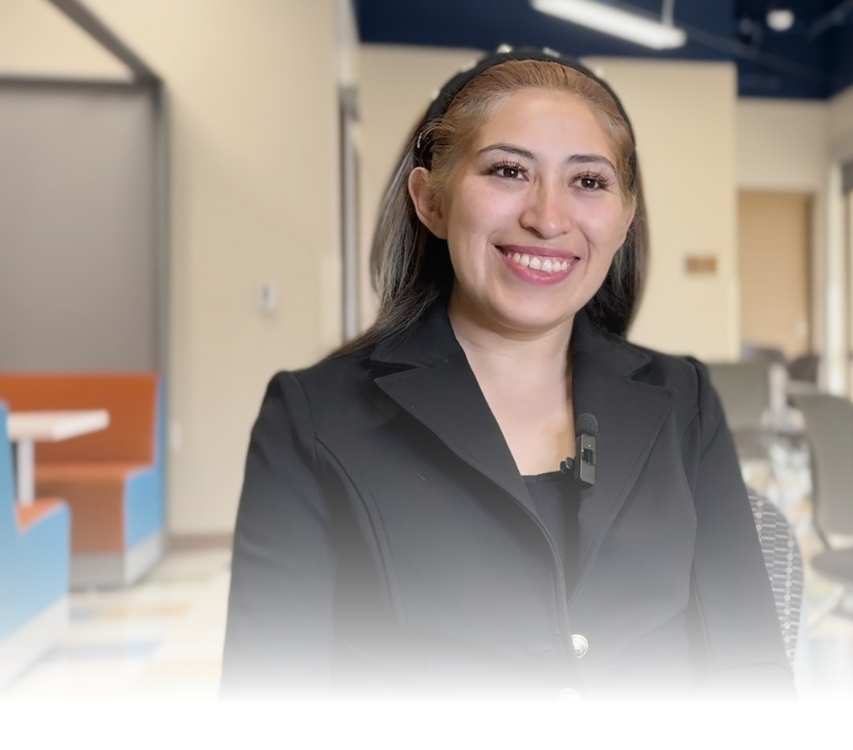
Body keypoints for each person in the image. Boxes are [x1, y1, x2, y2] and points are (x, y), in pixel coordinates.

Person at [221, 46, 793, 699]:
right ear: (430, 201)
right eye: (508, 171)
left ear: (624, 220)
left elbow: (753, 676)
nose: (547, 218)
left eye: (588, 182)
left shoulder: (683, 400)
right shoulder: (312, 419)